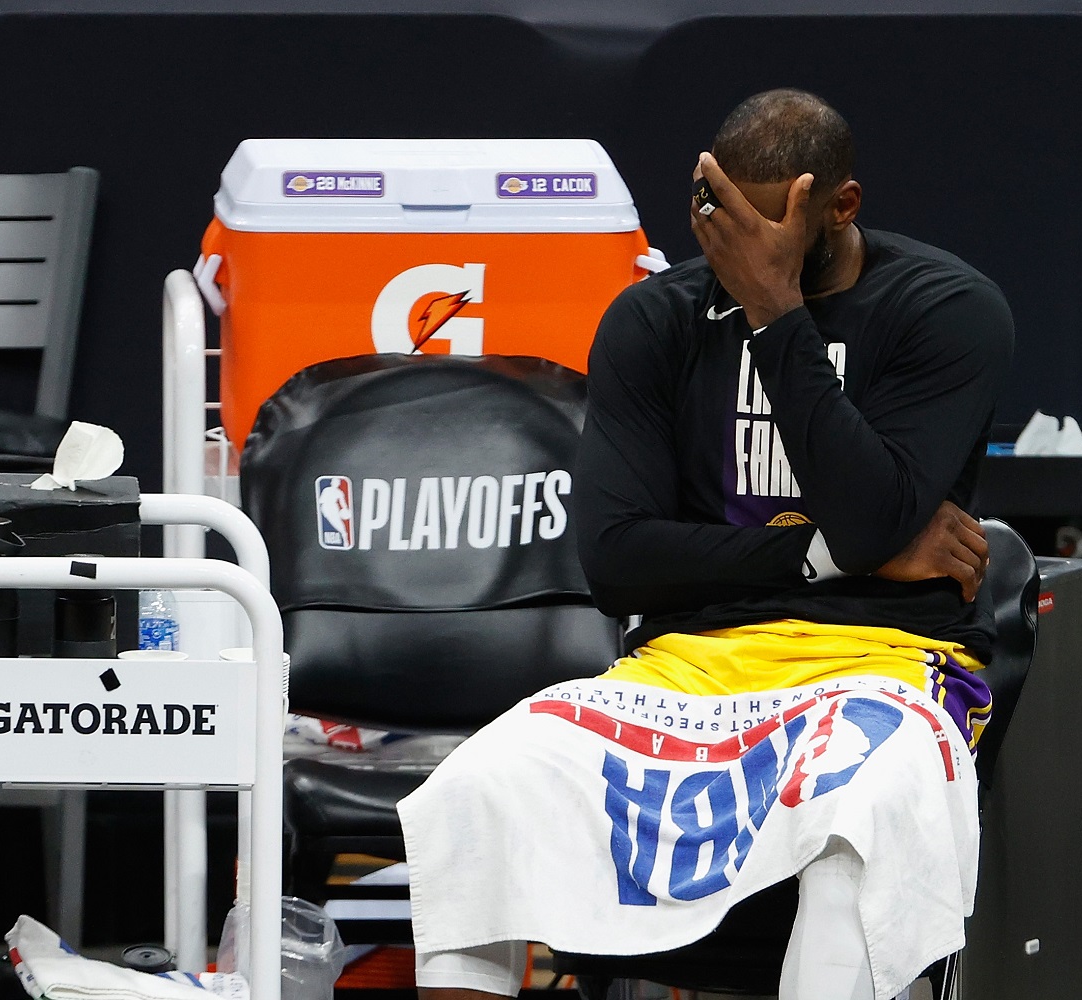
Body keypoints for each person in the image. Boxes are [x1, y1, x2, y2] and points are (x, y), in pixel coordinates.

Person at [397, 89, 1014, 1000]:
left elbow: (871, 512)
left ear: (839, 208)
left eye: (766, 234)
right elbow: (617, 562)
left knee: (867, 819)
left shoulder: (944, 309)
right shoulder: (655, 321)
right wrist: (825, 554)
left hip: (882, 662)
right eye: (721, 224)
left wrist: (776, 317)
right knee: (480, 786)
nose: (736, 256)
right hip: (687, 665)